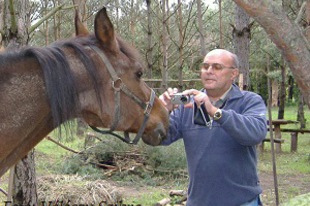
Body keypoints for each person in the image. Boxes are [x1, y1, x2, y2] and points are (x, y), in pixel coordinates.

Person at [159, 49, 267, 206]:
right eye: (205, 66)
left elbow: (255, 133)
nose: (209, 71)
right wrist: (162, 113)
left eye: (217, 67)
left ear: (233, 73)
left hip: (241, 202)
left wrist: (214, 112)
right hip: (198, 202)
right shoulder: (187, 106)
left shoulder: (249, 101)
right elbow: (160, 138)